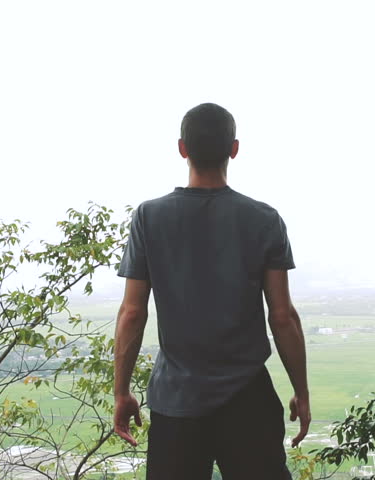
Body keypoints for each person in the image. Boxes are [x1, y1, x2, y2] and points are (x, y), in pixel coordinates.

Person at [112, 102, 311, 479]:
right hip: (248, 400)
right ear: (234, 149)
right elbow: (282, 316)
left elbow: (132, 313)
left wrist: (121, 392)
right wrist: (301, 391)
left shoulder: (149, 218)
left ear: (182, 148)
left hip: (176, 402)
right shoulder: (263, 219)